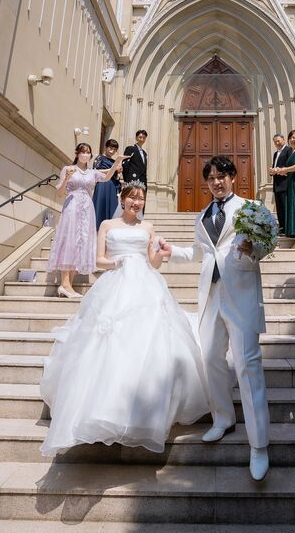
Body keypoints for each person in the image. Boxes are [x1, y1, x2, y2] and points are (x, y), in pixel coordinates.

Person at [40, 182, 209, 456]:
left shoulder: (148, 227)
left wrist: (160, 253)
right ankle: (102, 411)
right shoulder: (107, 224)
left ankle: (142, 413)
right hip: (116, 281)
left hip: (145, 284)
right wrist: (117, 262)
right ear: (123, 199)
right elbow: (98, 260)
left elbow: (154, 263)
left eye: (141, 199)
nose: (136, 202)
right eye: (132, 198)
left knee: (147, 340)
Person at [159, 156, 270, 482]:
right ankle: (223, 418)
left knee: (248, 366)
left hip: (241, 296)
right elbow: (199, 253)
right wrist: (171, 252)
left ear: (233, 177)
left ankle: (259, 445)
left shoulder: (251, 208)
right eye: (211, 178)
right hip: (211, 296)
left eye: (222, 176)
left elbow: (266, 244)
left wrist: (253, 248)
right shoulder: (202, 216)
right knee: (210, 359)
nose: (216, 182)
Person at [48, 143, 126, 298]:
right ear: (77, 153)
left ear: (91, 155)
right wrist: (67, 178)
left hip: (88, 209)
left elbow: (107, 177)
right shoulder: (68, 169)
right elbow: (59, 193)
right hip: (72, 206)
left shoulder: (92, 172)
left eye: (88, 152)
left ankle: (68, 285)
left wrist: (117, 161)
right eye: (83, 152)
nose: (85, 155)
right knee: (69, 242)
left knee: (81, 243)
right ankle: (65, 284)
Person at [92, 139, 122, 229]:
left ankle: (109, 229)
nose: (112, 151)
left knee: (112, 207)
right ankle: (97, 229)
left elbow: (117, 177)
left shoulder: (114, 161)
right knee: (100, 205)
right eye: (110, 148)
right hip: (102, 184)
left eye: (114, 149)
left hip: (112, 185)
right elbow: (95, 171)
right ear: (106, 147)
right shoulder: (100, 158)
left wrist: (119, 171)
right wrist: (112, 169)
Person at [268, 133, 291, 235]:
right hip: (277, 185)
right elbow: (275, 166)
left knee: (286, 207)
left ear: (283, 140)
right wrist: (271, 171)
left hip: (285, 184)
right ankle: (282, 228)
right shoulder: (275, 154)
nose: (277, 143)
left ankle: (288, 228)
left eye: (278, 141)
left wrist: (277, 170)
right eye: (275, 142)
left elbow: (290, 166)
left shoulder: (289, 150)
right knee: (279, 208)